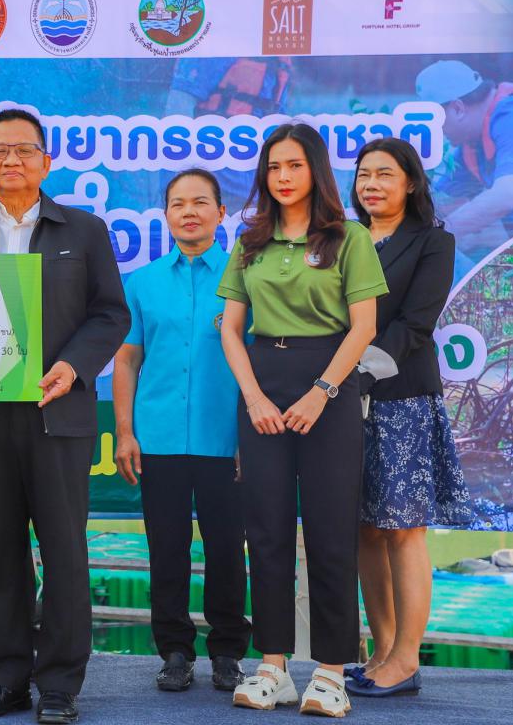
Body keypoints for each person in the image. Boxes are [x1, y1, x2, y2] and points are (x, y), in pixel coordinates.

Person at [0, 109, 130, 725]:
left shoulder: (84, 229)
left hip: (57, 413)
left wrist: (73, 366)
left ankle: (61, 685)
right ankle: (7, 680)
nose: (11, 160)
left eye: (23, 150)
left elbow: (110, 314)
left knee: (64, 552)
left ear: (46, 161)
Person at [217, 123, 387, 717]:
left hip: (330, 384)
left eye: (294, 165)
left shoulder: (349, 237)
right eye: (273, 167)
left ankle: (332, 671)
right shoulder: (251, 241)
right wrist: (254, 397)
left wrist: (322, 392)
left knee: (330, 531)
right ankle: (273, 667)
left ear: (315, 170)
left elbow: (364, 326)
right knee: (265, 531)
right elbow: (231, 330)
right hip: (262, 383)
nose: (283, 177)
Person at [344, 138, 474, 698]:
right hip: (342, 401)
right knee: (365, 530)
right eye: (364, 175)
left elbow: (415, 324)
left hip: (401, 397)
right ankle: (382, 652)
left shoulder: (432, 241)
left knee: (402, 529)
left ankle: (406, 658)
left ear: (411, 183)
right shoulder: (343, 239)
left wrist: (353, 376)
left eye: (385, 174)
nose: (371, 184)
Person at [112, 169, 250, 694]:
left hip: (226, 439)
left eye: (200, 202)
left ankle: (228, 653)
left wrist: (251, 438)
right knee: (166, 550)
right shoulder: (143, 282)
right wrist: (125, 431)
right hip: (159, 438)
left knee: (226, 551)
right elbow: (128, 360)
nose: (188, 212)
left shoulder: (246, 278)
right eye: (177, 204)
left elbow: (259, 359)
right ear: (166, 214)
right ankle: (174, 651)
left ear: (220, 212)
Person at [414, 60, 513, 258]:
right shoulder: (471, 147)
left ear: (458, 109)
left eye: (434, 121)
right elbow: (439, 201)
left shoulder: (511, 116)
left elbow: (509, 192)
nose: (435, 132)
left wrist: (443, 232)